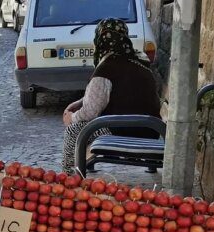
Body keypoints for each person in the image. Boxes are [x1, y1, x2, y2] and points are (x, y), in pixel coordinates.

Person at [61, 18, 161, 173]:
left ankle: (67, 178)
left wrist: (71, 118)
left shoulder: (107, 67)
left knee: (74, 130)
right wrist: (80, 102)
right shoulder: (140, 63)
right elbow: (116, 91)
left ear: (99, 40)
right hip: (151, 129)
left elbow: (90, 112)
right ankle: (79, 167)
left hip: (123, 129)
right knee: (84, 126)